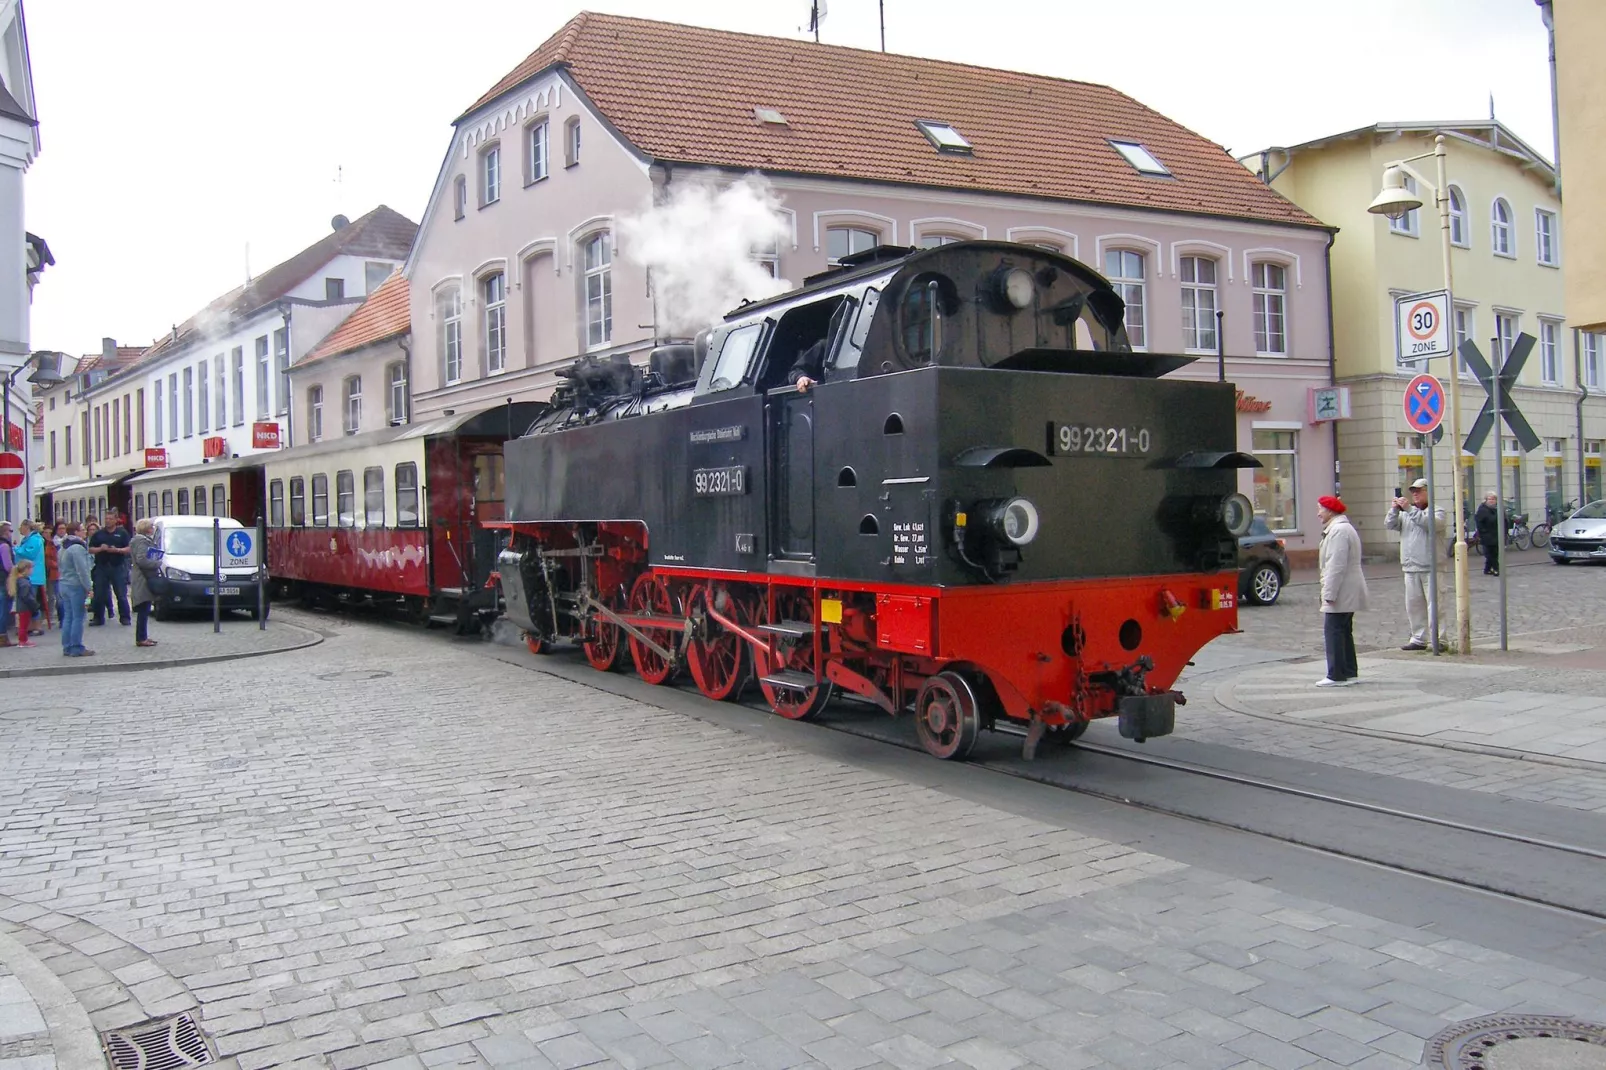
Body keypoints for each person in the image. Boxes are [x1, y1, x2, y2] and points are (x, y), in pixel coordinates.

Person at [1385, 477, 1445, 651]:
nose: (1415, 495)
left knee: (1436, 605)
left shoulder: (1437, 511)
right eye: (1413, 492)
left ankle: (1439, 639)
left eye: (1419, 491)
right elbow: (1390, 524)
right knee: (1413, 605)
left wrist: (1409, 509)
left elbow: (1429, 524)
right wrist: (1394, 510)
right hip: (1410, 567)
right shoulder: (1406, 513)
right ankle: (1418, 637)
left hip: (1431, 566)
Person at [1316, 495, 1368, 687]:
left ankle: (1336, 674)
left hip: (1342, 589)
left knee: (1334, 630)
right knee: (1345, 630)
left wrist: (1328, 593)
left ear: (1330, 510)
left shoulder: (1338, 531)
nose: (1318, 513)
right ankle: (1349, 671)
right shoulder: (1343, 528)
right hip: (1347, 588)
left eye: (1320, 509)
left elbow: (1335, 566)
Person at [57, 521, 94, 658]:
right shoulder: (77, 548)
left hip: (64, 584)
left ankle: (67, 646)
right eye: (83, 529)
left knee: (68, 616)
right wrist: (89, 587)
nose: (85, 532)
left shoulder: (63, 546)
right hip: (75, 585)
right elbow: (82, 570)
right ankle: (76, 647)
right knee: (78, 617)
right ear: (76, 532)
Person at [89, 510, 132, 627]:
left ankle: (125, 617)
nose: (108, 521)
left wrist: (117, 550)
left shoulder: (122, 533)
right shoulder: (99, 534)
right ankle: (98, 617)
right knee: (99, 594)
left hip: (117, 566)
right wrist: (100, 549)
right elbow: (90, 549)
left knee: (121, 593)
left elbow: (129, 548)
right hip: (102, 566)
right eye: (106, 519)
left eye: (110, 519)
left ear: (115, 520)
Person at [128, 518, 160, 648]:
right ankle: (141, 638)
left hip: (142, 577)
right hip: (143, 578)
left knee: (145, 608)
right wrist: (157, 563)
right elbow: (141, 560)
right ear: (146, 528)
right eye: (151, 526)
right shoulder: (142, 541)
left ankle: (143, 636)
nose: (153, 528)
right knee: (143, 608)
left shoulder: (139, 540)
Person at [14, 520, 46, 637]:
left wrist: (15, 549)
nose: (19, 529)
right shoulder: (28, 539)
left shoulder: (35, 540)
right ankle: (29, 626)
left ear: (27, 527)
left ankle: (36, 626)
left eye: (21, 526)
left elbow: (30, 554)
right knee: (27, 601)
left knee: (30, 601)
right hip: (26, 575)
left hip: (33, 576)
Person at [1475, 492, 1501, 575]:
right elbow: (1480, 523)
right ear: (1486, 500)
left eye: (1493, 499)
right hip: (1487, 536)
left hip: (1496, 534)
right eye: (1490, 499)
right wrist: (1484, 532)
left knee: (1494, 553)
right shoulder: (1483, 510)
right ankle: (1496, 569)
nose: (1492, 501)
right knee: (1491, 554)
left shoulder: (1496, 509)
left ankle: (1487, 569)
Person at [0, 520, 14, 646]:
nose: (11, 533)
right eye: (10, 531)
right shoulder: (4, 546)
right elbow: (8, 565)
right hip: (4, 580)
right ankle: (2, 636)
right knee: (4, 608)